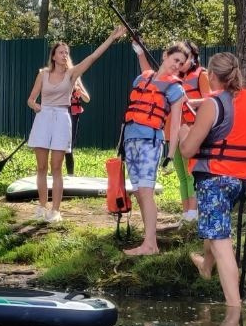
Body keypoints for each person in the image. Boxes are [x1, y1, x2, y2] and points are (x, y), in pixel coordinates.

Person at [180, 52, 246, 307]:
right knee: (214, 223)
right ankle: (206, 266)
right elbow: (234, 122)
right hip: (239, 182)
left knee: (221, 243)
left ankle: (234, 308)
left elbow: (187, 150)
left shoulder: (212, 105)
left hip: (215, 180)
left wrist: (185, 130)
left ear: (212, 75)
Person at [26, 26, 126, 223]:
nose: (65, 55)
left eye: (67, 52)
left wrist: (111, 38)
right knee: (41, 166)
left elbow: (93, 57)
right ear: (53, 56)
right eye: (61, 52)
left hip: (63, 118)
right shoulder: (42, 74)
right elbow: (30, 99)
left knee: (56, 167)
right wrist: (35, 106)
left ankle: (55, 211)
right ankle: (42, 206)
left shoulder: (72, 74)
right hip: (44, 117)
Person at [121, 41, 189, 256]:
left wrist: (170, 154)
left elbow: (176, 123)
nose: (177, 65)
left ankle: (150, 244)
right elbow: (147, 71)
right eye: (175, 60)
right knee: (139, 193)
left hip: (151, 141)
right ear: (164, 56)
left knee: (146, 192)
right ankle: (148, 241)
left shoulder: (175, 89)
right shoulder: (143, 78)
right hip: (130, 139)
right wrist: (139, 51)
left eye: (181, 63)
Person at [175, 41, 212, 223]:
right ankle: (185, 213)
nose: (181, 63)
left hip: (192, 128)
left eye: (186, 57)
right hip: (175, 130)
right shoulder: (175, 77)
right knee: (181, 174)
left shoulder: (201, 75)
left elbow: (209, 100)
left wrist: (188, 101)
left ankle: (193, 212)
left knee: (191, 173)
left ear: (194, 57)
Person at [65, 78, 90, 175]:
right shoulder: (60, 77)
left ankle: (70, 175)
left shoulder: (77, 80)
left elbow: (87, 99)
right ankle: (54, 173)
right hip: (61, 113)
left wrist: (80, 92)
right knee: (57, 146)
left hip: (73, 116)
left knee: (69, 147)